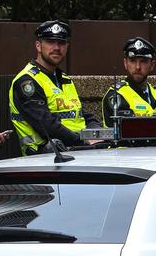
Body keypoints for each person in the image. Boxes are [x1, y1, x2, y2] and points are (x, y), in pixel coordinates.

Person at [8, 20, 101, 155]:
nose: (57, 47)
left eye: (62, 43)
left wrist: (96, 132)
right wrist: (84, 139)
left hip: (78, 151)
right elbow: (46, 125)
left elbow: (83, 114)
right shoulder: (27, 81)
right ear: (38, 46)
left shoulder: (64, 79)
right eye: (50, 42)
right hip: (45, 159)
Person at [101, 37, 156, 126]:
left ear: (152, 65)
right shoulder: (116, 95)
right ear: (125, 63)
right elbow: (127, 133)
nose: (138, 67)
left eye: (143, 61)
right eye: (132, 61)